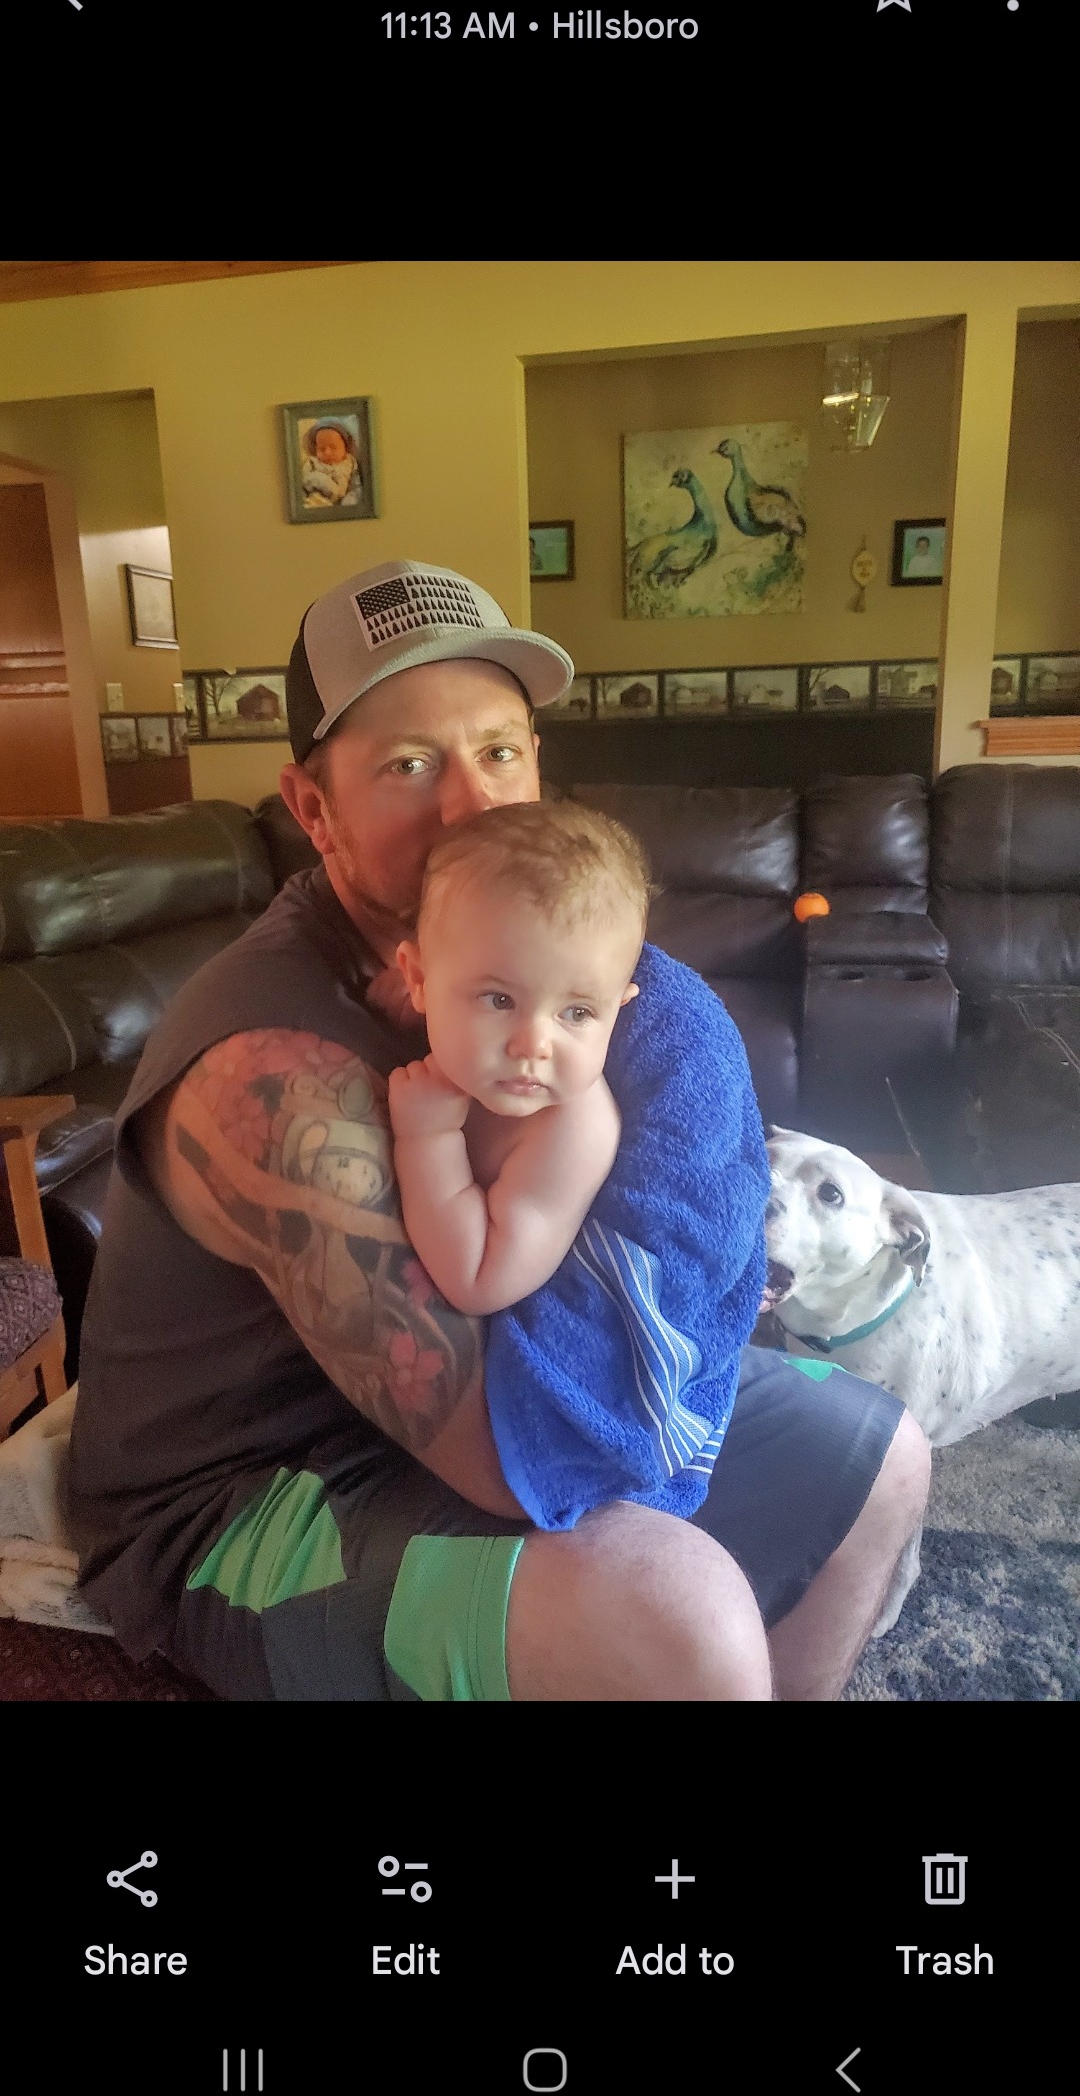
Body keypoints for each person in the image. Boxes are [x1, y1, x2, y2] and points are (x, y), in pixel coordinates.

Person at [67, 557, 930, 1701]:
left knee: (881, 1453)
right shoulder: (267, 1073)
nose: (473, 804)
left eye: (500, 750)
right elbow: (498, 1452)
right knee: (680, 1617)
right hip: (244, 1495)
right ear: (313, 810)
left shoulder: (515, 959)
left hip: (467, 1381)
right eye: (410, 764)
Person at [388, 799, 770, 1530]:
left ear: (620, 1008)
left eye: (577, 1013)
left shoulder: (574, 1125)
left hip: (557, 1403)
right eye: (498, 998)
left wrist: (426, 1139)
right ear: (418, 979)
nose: (534, 1044)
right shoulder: (453, 1061)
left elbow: (479, 1278)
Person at [300, 418, 361, 509]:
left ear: (345, 447)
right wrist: (321, 480)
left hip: (342, 503)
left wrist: (349, 502)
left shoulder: (351, 463)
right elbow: (303, 482)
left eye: (333, 447)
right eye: (321, 449)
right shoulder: (312, 462)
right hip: (318, 499)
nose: (327, 452)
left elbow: (356, 486)